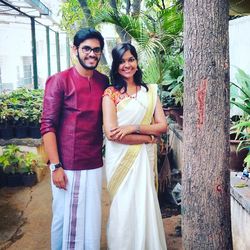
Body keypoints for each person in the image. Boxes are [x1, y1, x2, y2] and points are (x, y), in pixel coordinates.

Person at [40, 28, 109, 250]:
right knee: (65, 218)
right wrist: (57, 166)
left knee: (91, 218)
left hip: (94, 163)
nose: (92, 54)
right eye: (86, 48)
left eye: (96, 50)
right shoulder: (59, 80)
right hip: (67, 165)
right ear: (75, 50)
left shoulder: (103, 81)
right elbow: (47, 125)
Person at [102, 43, 168, 250]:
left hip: (143, 158)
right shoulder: (110, 94)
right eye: (121, 61)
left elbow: (162, 126)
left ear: (137, 63)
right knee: (123, 206)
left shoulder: (150, 92)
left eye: (131, 60)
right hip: (119, 158)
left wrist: (134, 127)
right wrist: (148, 138)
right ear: (115, 65)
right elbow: (112, 134)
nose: (127, 65)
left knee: (144, 202)